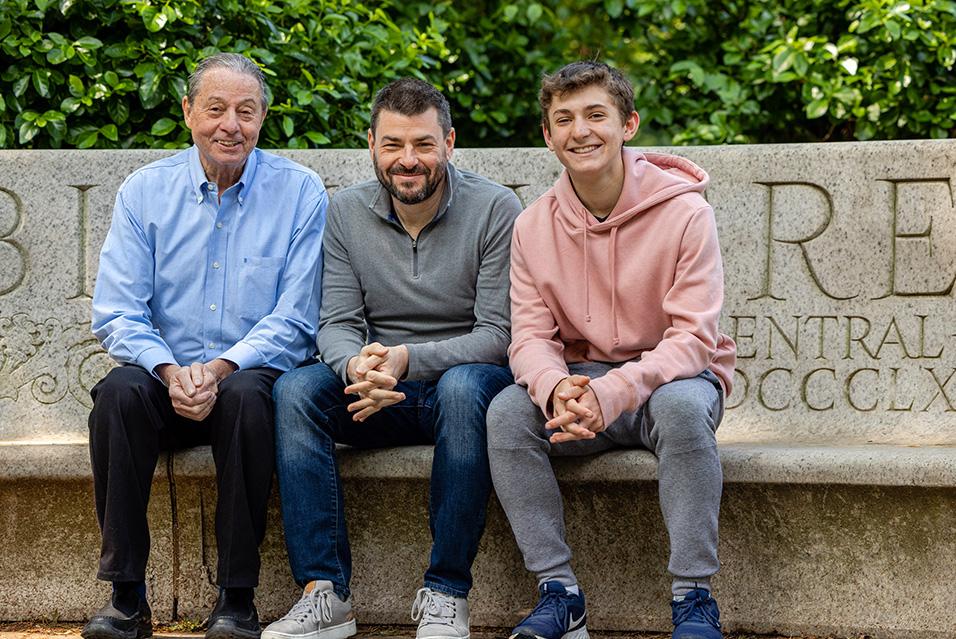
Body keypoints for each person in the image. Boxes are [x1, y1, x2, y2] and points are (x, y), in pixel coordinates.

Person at [262, 78, 521, 639]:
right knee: (295, 392)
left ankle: (446, 592)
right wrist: (357, 368)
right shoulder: (346, 211)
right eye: (393, 145)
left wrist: (407, 359)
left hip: (462, 387)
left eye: (424, 145)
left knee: (463, 387)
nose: (409, 160)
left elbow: (498, 334)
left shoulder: (496, 208)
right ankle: (324, 593)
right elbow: (335, 323)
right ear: (373, 145)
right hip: (376, 390)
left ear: (449, 143)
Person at [486, 61, 736, 639]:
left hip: (673, 382)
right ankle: (559, 593)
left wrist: (613, 390)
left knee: (679, 409)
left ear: (629, 124)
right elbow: (529, 336)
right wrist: (558, 388)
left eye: (597, 114)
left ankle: (693, 597)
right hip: (581, 391)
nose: (582, 131)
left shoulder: (686, 213)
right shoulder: (531, 227)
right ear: (547, 136)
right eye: (564, 119)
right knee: (505, 412)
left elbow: (694, 338)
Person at [83, 53, 327, 639]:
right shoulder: (145, 192)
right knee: (117, 393)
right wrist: (171, 371)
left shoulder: (299, 192)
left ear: (263, 118)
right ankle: (125, 597)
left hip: (245, 377)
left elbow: (295, 320)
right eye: (215, 109)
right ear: (189, 112)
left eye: (246, 111)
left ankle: (236, 598)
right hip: (163, 379)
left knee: (247, 396)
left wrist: (218, 369)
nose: (230, 125)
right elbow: (117, 312)